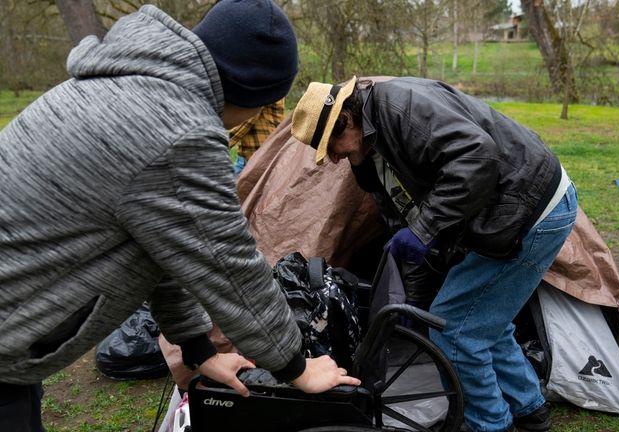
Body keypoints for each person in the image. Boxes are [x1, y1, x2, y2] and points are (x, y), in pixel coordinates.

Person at [0, 1, 359, 431]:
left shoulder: (131, 86)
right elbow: (232, 270)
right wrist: (296, 367)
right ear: (250, 94)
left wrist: (199, 350)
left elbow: (160, 248)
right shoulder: (178, 131)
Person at [291, 76, 578, 432]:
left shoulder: (401, 106)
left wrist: (423, 229)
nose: (334, 159)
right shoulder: (368, 156)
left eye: (331, 148)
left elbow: (477, 159)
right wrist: (413, 296)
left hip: (531, 208)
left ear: (345, 121)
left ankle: (488, 425)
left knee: (455, 329)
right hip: (508, 212)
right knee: (483, 320)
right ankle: (530, 410)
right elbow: (402, 222)